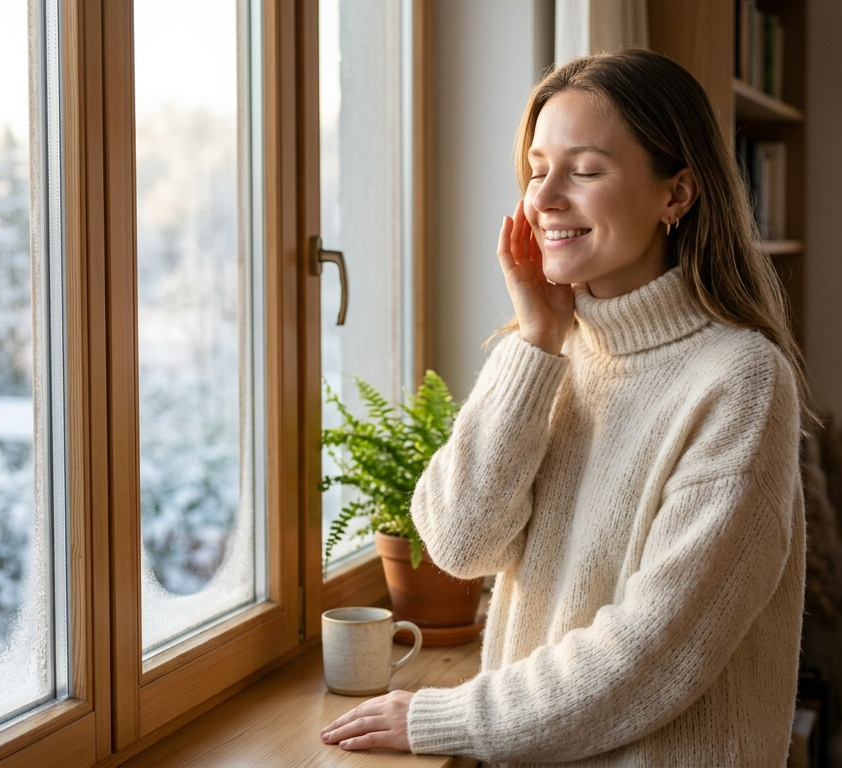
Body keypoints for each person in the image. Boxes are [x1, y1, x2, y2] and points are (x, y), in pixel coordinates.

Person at [321, 48, 809, 766]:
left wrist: (447, 716)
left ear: (676, 195)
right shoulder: (553, 353)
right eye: (536, 169)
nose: (544, 198)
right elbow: (460, 545)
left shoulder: (738, 381)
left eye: (583, 171)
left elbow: (655, 652)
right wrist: (538, 340)